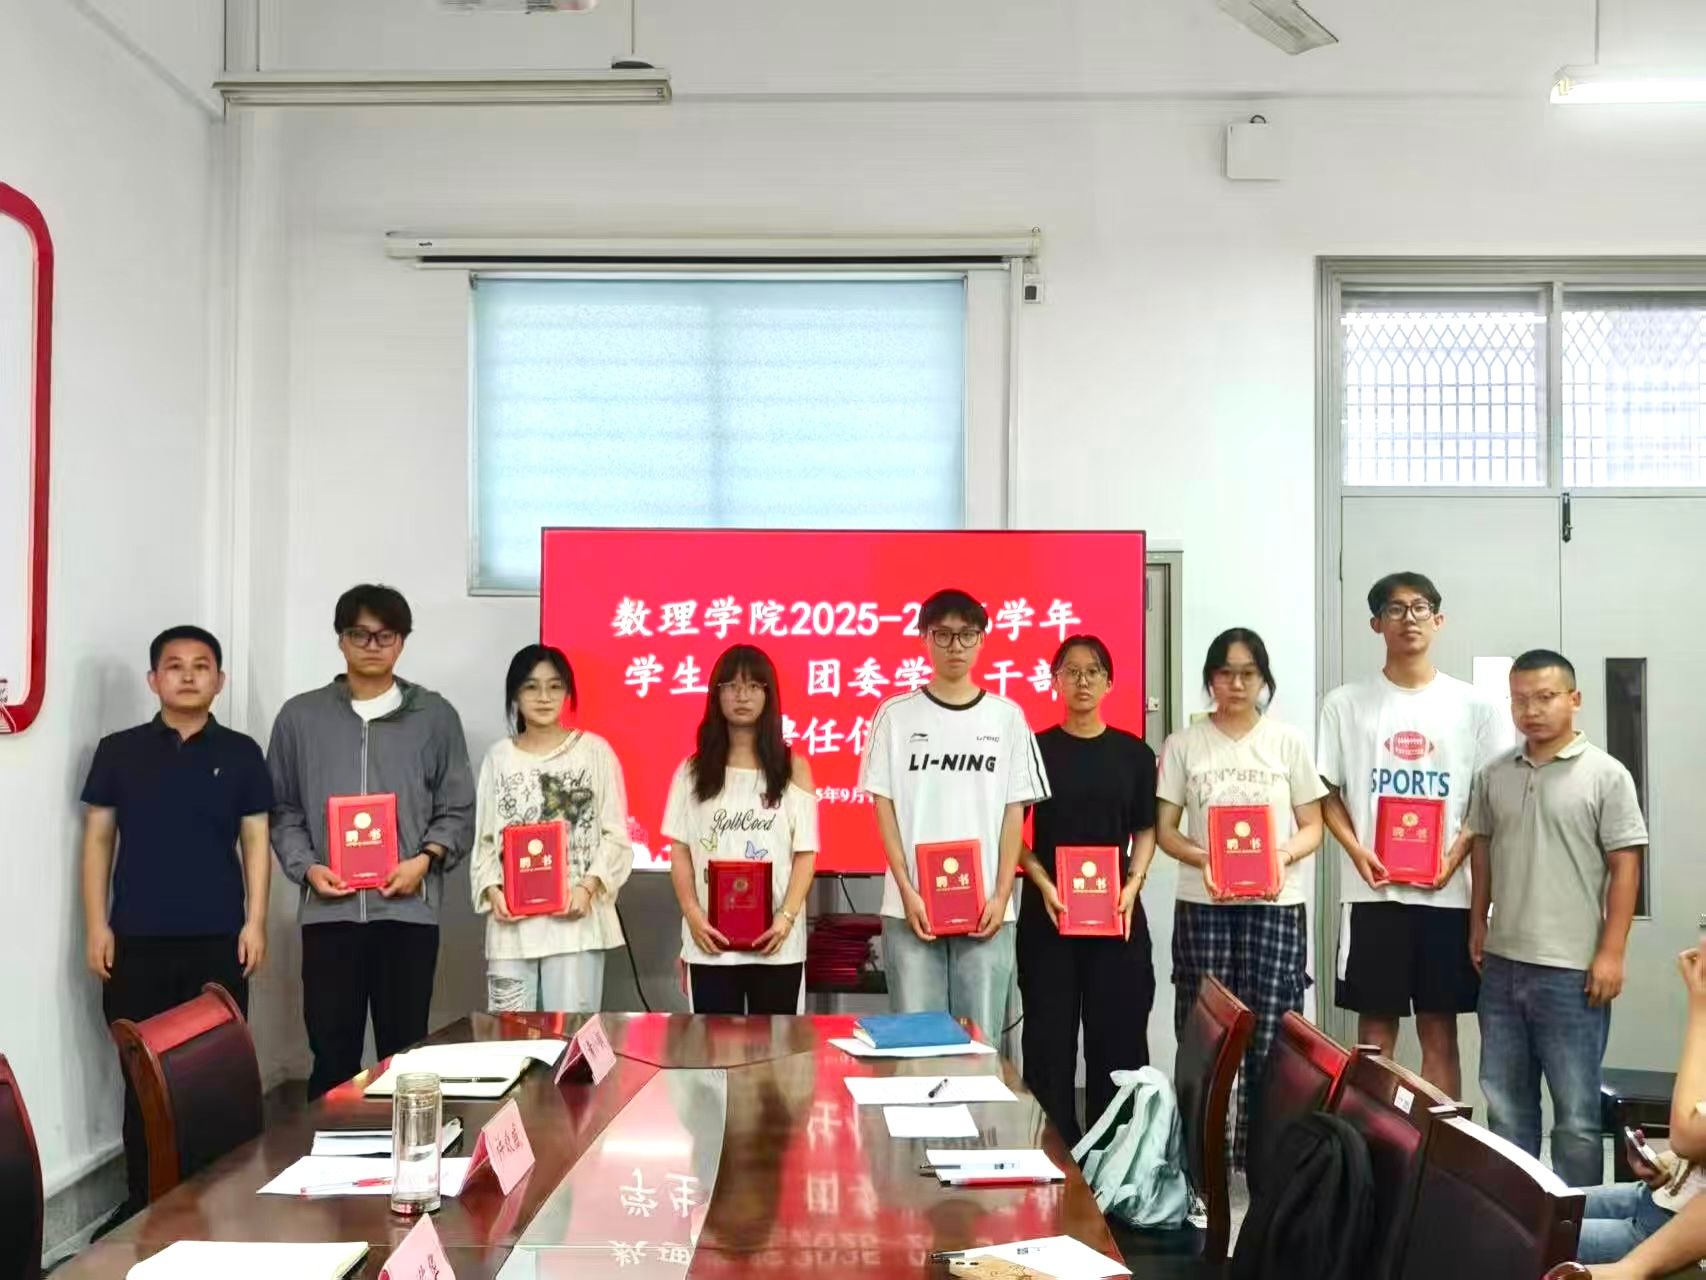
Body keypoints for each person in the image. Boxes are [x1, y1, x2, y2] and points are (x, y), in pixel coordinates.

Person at [81, 625, 273, 1222]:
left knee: (214, 1075)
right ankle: (144, 1201)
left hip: (218, 939)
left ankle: (214, 1203)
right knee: (141, 1076)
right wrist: (96, 925)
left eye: (201, 665)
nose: (188, 675)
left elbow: (256, 840)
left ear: (220, 680)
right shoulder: (118, 751)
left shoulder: (241, 753)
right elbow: (98, 840)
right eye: (174, 665)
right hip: (135, 940)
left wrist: (256, 922)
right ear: (153, 679)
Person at [267, 584, 475, 1099]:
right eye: (359, 634)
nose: (372, 645)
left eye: (386, 635)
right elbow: (283, 809)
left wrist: (424, 860)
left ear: (402, 641)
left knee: (405, 1051)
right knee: (331, 1051)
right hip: (329, 911)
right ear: (340, 639)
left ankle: (403, 1146)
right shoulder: (300, 717)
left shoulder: (434, 716)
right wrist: (307, 867)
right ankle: (328, 1147)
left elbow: (456, 807)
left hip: (407, 911)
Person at [1316, 572, 1505, 1098]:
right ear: (1376, 624)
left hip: (1448, 895)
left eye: (1420, 608)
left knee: (1439, 1031)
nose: (1409, 619)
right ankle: (1374, 1138)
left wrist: (1455, 854)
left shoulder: (1475, 706)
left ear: (1438, 620)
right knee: (1374, 1034)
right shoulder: (1344, 703)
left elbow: (1487, 798)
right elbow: (1325, 791)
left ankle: (1439, 1141)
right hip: (1372, 894)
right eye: (1395, 610)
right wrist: (1356, 851)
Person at [1467, 648, 1647, 1189]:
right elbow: (1482, 850)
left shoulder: (1607, 775)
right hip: (1501, 967)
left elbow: (1626, 867)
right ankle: (1515, 1218)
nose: (1532, 710)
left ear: (1574, 699)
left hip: (1572, 971)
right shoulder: (1494, 774)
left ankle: (1578, 1224)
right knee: (1506, 1108)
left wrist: (1611, 952)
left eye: (1545, 697)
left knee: (1576, 1118)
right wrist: (1477, 923)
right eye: (1520, 700)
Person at [1156, 627, 1326, 1168]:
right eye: (1225, 673)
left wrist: (1280, 857)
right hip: (1203, 904)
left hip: (1275, 904)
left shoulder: (1287, 742)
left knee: (1271, 1031)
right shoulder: (1184, 744)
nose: (1236, 683)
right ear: (1210, 678)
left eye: (1248, 673)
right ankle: (1202, 1163)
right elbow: (1165, 831)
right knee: (1205, 1032)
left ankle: (1264, 1163)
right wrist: (1204, 858)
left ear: (1263, 679)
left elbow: (1313, 825)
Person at [860, 587, 1051, 1044]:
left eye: (967, 635)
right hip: (910, 910)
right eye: (942, 635)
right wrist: (907, 891)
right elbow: (884, 809)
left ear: (982, 640)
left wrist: (1001, 894)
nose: (955, 646)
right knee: (915, 1044)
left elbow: (1014, 814)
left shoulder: (1007, 717)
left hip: (987, 912)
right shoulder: (894, 715)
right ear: (924, 638)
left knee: (980, 1045)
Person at [1016, 634, 1158, 1146]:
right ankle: (1052, 1153)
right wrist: (1041, 880)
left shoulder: (1134, 754)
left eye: (1093, 671)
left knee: (1118, 1040)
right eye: (1071, 671)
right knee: (1048, 1042)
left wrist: (1133, 884)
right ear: (1054, 681)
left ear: (1109, 682)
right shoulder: (1032, 749)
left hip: (1116, 914)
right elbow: (1011, 834)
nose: (1082, 681)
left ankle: (1113, 1157)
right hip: (1049, 914)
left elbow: (1146, 830)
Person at [470, 645, 633, 1014]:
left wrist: (587, 887)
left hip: (575, 924)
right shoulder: (499, 757)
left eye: (554, 686)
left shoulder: (594, 752)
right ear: (515, 694)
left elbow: (616, 836)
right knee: (510, 1037)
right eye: (531, 687)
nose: (544, 697)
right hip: (513, 928)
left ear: (567, 692)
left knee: (569, 1037)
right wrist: (493, 890)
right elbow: (485, 842)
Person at [665, 644, 819, 1014]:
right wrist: (693, 916)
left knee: (778, 1047)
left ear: (769, 694)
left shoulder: (793, 768)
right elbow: (680, 851)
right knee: (712, 1047)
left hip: (777, 943)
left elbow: (806, 853)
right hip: (710, 942)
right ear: (716, 695)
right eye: (731, 686)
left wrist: (786, 918)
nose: (742, 696)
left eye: (753, 686)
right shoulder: (692, 771)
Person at [1574, 942, 1706, 1264]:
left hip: (1677, 1230)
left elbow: (1687, 1136)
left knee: (1506, 1236)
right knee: (1531, 1207)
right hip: (1664, 1198)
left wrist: (1701, 1009)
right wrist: (1668, 1163)